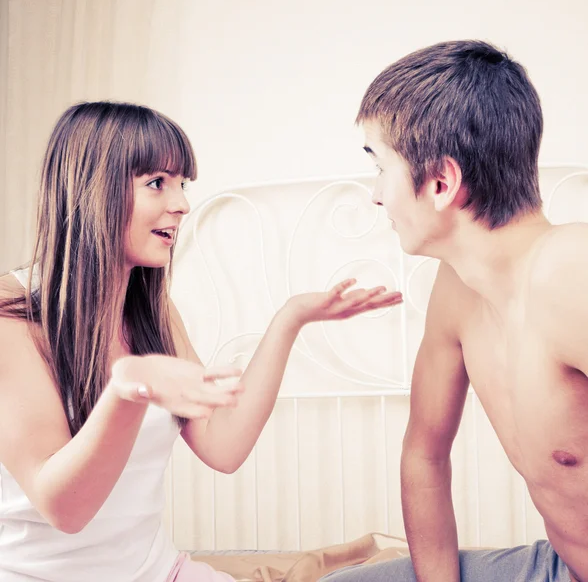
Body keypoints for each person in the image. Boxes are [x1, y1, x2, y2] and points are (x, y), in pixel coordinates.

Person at [0, 101, 403, 582]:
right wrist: (131, 389)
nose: (182, 204)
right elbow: (64, 509)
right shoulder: (13, 314)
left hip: (158, 572)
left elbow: (223, 447)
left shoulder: (154, 315)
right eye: (157, 183)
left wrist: (290, 320)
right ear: (91, 189)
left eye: (182, 184)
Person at [320, 40, 588, 582]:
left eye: (379, 164)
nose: (375, 196)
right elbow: (423, 456)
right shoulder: (457, 290)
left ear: (440, 182)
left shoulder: (571, 273)